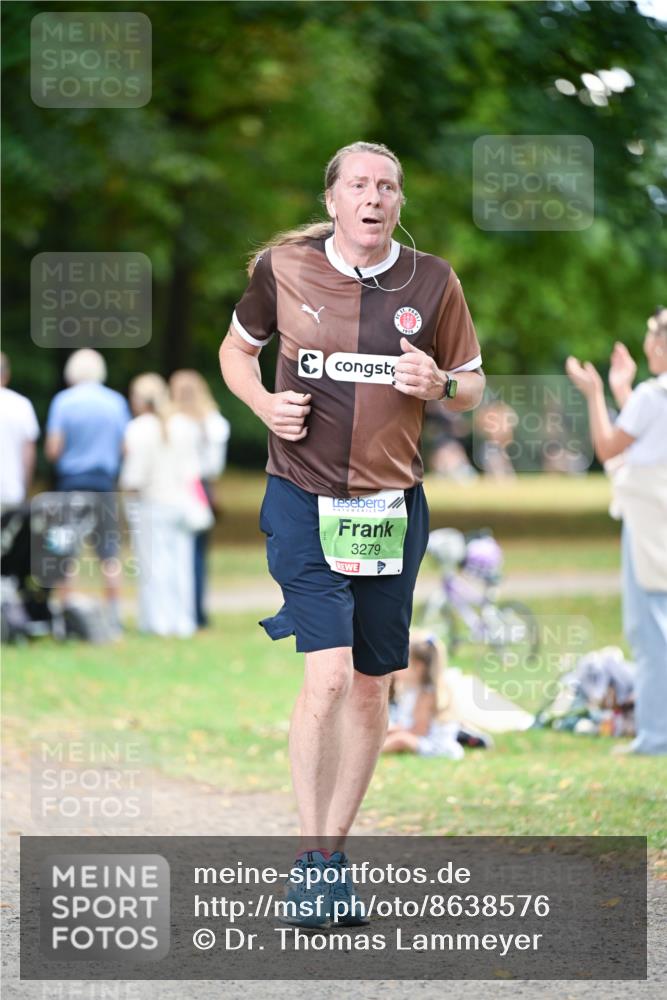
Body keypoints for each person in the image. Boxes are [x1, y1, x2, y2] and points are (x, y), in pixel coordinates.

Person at [219, 140, 485, 923]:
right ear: (333, 198)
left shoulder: (432, 280)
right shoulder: (285, 269)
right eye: (359, 185)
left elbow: (472, 385)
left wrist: (440, 384)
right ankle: (308, 859)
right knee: (327, 675)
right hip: (300, 497)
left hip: (390, 507)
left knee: (374, 684)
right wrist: (266, 407)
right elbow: (239, 352)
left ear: (399, 204)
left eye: (388, 187)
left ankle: (333, 856)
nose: (374, 197)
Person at [565, 307, 667, 755]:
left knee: (649, 631)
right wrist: (622, 389)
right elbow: (646, 433)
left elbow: (609, 445)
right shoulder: (650, 397)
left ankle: (654, 735)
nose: (646, 348)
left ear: (661, 346)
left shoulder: (652, 394)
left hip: (647, 526)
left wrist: (592, 394)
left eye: (650, 341)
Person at [45, 349, 130, 633]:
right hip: (104, 485)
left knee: (65, 552)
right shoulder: (115, 402)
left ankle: (64, 617)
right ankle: (114, 617)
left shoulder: (63, 402)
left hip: (71, 485)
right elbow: (125, 447)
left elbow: (54, 449)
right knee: (109, 553)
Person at [120, 373, 202, 638]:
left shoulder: (138, 428)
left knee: (154, 566)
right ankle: (183, 622)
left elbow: (134, 475)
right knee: (182, 565)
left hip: (152, 504)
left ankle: (157, 621)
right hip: (182, 503)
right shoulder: (184, 425)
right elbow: (194, 470)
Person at [169, 370, 231, 628]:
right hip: (200, 488)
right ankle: (197, 612)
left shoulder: (171, 422)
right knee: (197, 554)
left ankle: (177, 611)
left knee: (173, 552)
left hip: (174, 487)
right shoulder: (214, 422)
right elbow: (215, 467)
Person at [382, 633, 464, 759]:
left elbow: (419, 731)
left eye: (401, 661)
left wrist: (393, 733)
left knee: (400, 740)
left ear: (419, 667)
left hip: (435, 746)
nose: (395, 666)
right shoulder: (411, 691)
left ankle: (370, 752)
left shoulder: (427, 694)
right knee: (388, 732)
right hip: (419, 737)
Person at [0, 352, 39, 509]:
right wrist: (26, 488)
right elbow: (28, 455)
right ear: (7, 374)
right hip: (12, 491)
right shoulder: (22, 405)